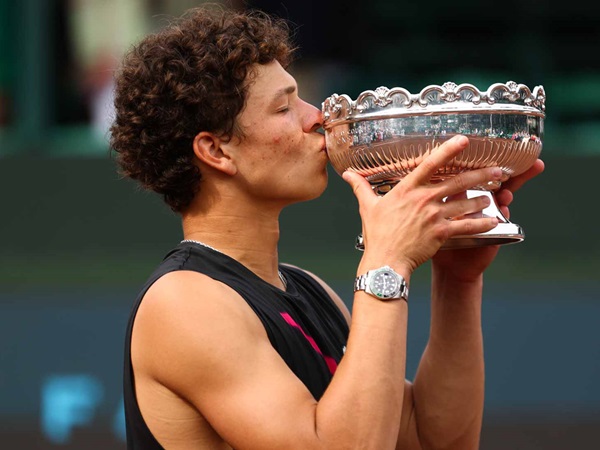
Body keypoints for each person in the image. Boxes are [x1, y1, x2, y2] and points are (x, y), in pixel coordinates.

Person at [110, 5, 544, 450]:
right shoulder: (184, 302)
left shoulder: (310, 290)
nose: (316, 116)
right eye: (284, 107)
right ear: (216, 151)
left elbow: (433, 442)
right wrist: (386, 262)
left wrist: (457, 278)